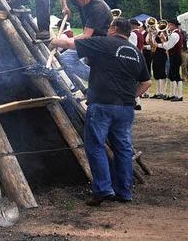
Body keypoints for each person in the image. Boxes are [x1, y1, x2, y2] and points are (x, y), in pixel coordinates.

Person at [50, 18, 151, 206]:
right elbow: (146, 82)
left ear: (113, 28)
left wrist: (52, 41)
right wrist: (130, 96)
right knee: (123, 148)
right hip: (125, 108)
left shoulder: (104, 43)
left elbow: (70, 44)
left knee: (95, 145)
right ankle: (124, 192)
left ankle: (104, 189)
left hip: (102, 105)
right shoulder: (136, 53)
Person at [55, 0, 112, 78]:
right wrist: (65, 6)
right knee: (66, 59)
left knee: (67, 58)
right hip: (90, 40)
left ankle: (98, 79)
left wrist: (59, 42)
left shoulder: (98, 8)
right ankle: (94, 81)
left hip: (101, 44)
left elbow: (86, 36)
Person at [156, 19, 184, 101]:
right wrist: (163, 40)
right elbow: (168, 44)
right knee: (172, 75)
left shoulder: (175, 35)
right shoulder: (174, 34)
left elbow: (168, 46)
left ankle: (179, 95)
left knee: (176, 76)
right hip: (174, 56)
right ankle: (173, 94)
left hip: (175, 56)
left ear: (173, 25)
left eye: (169, 25)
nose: (168, 26)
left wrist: (158, 45)